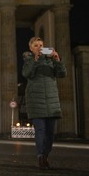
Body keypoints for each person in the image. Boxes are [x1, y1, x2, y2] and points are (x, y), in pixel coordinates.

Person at [21, 37, 67, 169]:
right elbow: (26, 73)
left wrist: (57, 59)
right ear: (31, 48)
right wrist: (35, 60)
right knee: (40, 130)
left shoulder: (51, 60)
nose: (39, 47)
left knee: (50, 133)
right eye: (36, 45)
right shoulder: (29, 60)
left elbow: (62, 74)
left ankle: (46, 155)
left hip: (51, 101)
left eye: (41, 45)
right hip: (36, 101)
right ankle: (40, 156)